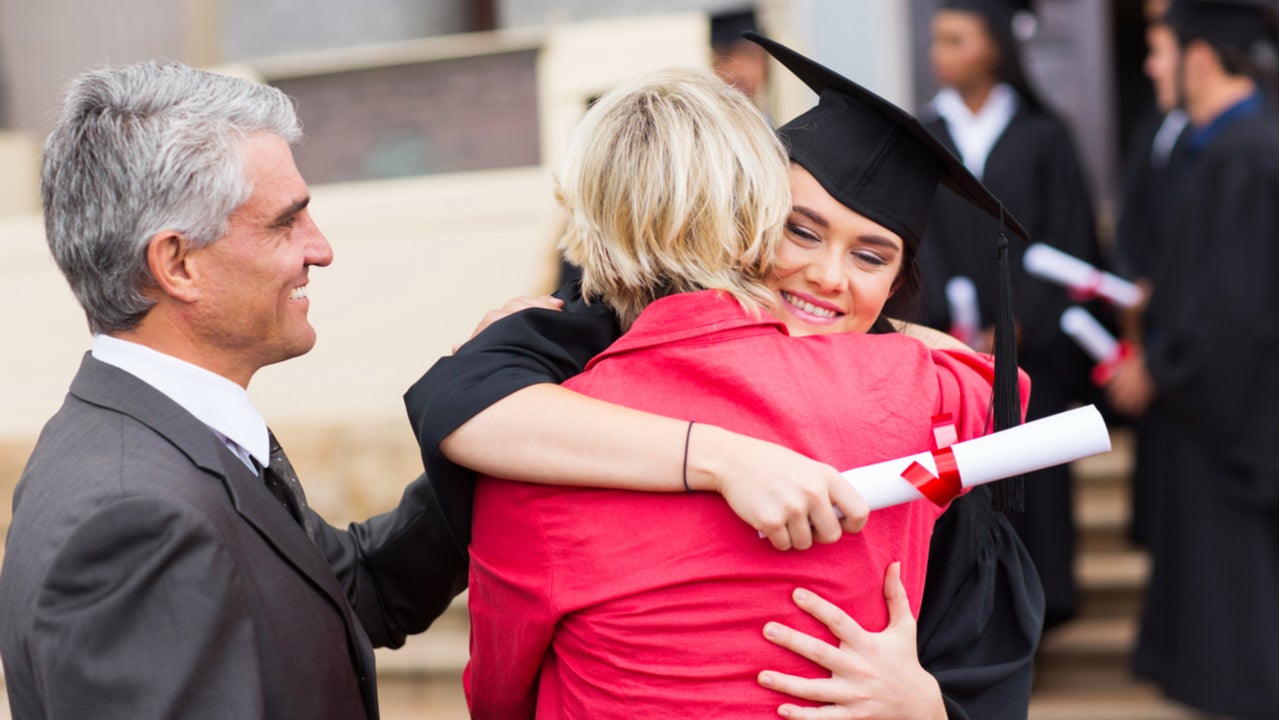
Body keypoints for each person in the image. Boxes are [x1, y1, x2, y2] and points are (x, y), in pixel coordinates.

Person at [412, 35, 1038, 715]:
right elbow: (459, 395)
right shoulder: (577, 343)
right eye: (800, 232)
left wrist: (925, 708)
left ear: (898, 284)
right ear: (741, 225)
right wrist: (719, 458)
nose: (827, 276)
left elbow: (502, 693)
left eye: (871, 256)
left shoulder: (923, 412)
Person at [0, 62, 466, 719]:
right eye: (285, 223)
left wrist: (486, 423)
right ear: (178, 264)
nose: (321, 249)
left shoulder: (168, 438)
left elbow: (354, 588)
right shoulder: (134, 519)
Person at [1105, 1, 1278, 716]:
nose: (1150, 67)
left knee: (1237, 625)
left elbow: (1236, 311)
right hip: (1209, 416)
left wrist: (1159, 366)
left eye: (1159, 51)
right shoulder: (1217, 145)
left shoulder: (1246, 154)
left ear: (1199, 56)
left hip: (1234, 421)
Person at [915, 0, 1103, 629]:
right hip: (946, 348)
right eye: (937, 38)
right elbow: (911, 236)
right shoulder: (923, 134)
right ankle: (966, 622)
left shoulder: (1043, 135)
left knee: (1033, 490)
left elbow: (1068, 240)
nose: (938, 51)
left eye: (955, 38)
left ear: (993, 45)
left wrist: (1019, 322)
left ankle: (1039, 618)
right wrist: (941, 321)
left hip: (1027, 352)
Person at [1110, 0, 1190, 549]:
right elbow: (1132, 220)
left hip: (1202, 366)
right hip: (1161, 339)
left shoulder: (1246, 147)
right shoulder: (1159, 123)